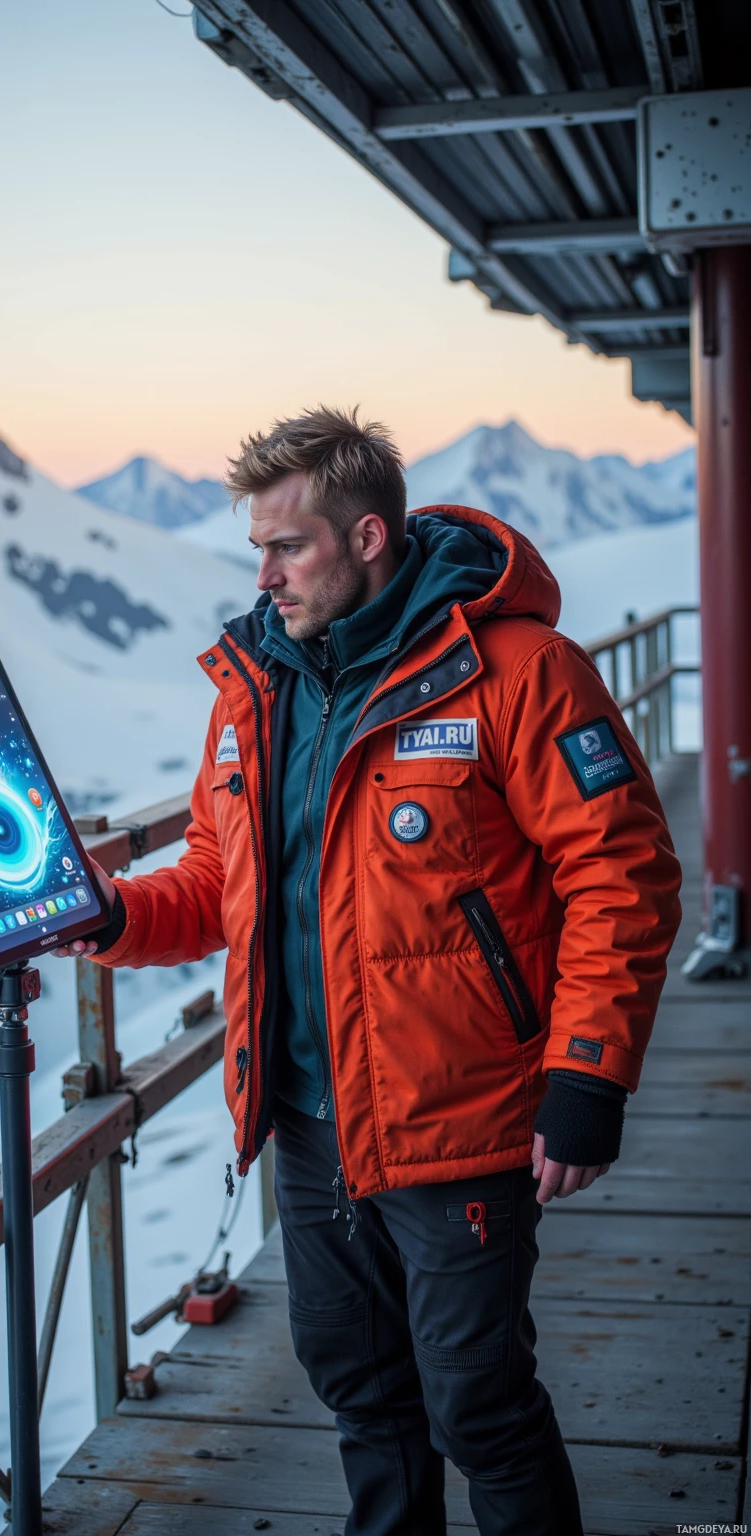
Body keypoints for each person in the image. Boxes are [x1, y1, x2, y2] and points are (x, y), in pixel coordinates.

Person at [57, 407, 682, 1535]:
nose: (264, 577)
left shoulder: (519, 672)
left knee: (479, 1406)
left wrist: (589, 1072)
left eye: (286, 548)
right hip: (308, 1123)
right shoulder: (254, 687)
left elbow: (621, 873)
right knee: (362, 1393)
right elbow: (217, 879)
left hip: (459, 1119)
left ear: (367, 538)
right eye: (256, 548)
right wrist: (110, 916)